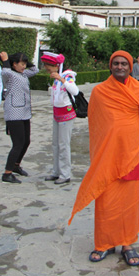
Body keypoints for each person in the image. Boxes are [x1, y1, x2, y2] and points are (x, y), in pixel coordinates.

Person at [68, 50, 139, 267]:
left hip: (130, 155)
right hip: (107, 156)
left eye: (124, 63)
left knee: (129, 202)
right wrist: (100, 153)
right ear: (110, 66)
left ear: (130, 66)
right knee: (105, 201)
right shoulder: (99, 92)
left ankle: (127, 244)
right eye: (116, 63)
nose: (120, 67)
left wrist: (137, 148)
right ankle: (104, 243)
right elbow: (95, 125)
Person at [0, 51, 39, 183]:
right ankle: (7, 173)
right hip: (14, 113)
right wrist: (6, 60)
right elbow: (4, 72)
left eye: (24, 64)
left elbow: (35, 70)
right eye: (21, 64)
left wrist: (26, 60)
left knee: (26, 141)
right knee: (17, 144)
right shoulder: (10, 75)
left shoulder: (23, 74)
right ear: (14, 64)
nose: (24, 66)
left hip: (24, 112)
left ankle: (16, 165)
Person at [41, 51, 79, 185]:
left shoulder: (67, 75)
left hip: (66, 114)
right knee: (56, 144)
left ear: (56, 66)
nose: (47, 69)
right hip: (56, 114)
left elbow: (75, 91)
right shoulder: (56, 78)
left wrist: (62, 79)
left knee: (63, 144)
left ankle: (65, 173)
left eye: (48, 66)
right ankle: (56, 171)